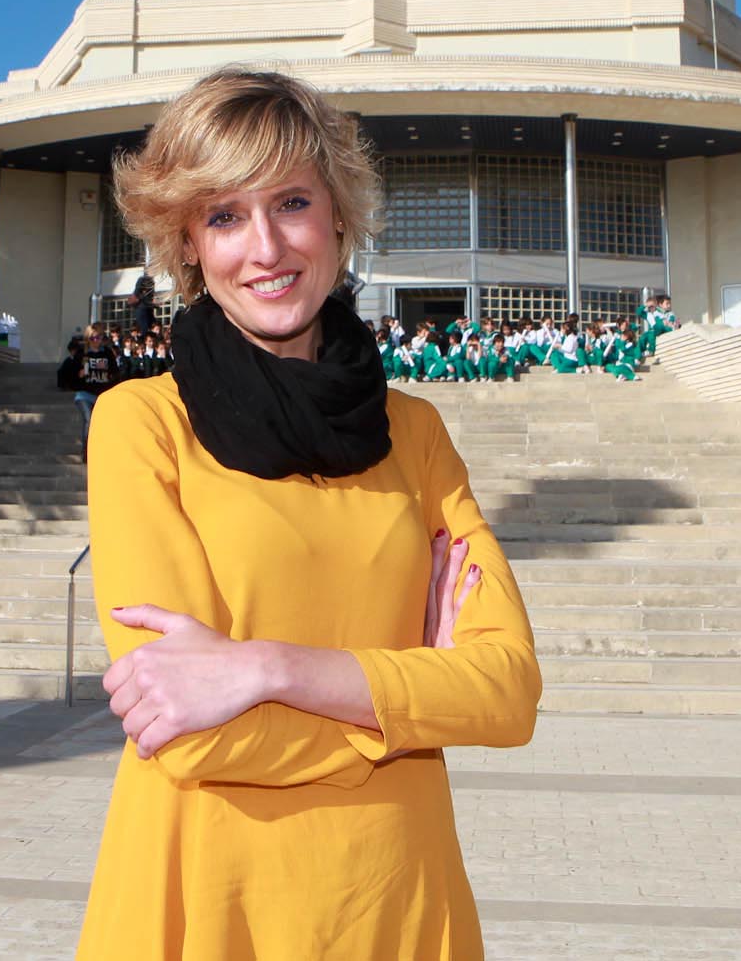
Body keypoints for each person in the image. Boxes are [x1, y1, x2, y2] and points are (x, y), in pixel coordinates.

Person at [80, 67, 539, 960]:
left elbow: (507, 693)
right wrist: (406, 698)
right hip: (208, 900)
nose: (264, 248)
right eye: (223, 215)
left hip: (397, 906)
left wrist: (268, 669)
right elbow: (192, 739)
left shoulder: (416, 434)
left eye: (290, 202)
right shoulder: (143, 426)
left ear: (338, 218)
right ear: (187, 244)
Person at [74, 326, 119, 446]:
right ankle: (86, 451)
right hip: (85, 393)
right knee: (89, 420)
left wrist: (110, 376)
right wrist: (79, 374)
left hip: (102, 393)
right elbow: (71, 372)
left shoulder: (107, 352)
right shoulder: (82, 353)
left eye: (99, 337)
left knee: (102, 423)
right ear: (88, 339)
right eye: (93, 338)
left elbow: (115, 370)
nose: (96, 340)